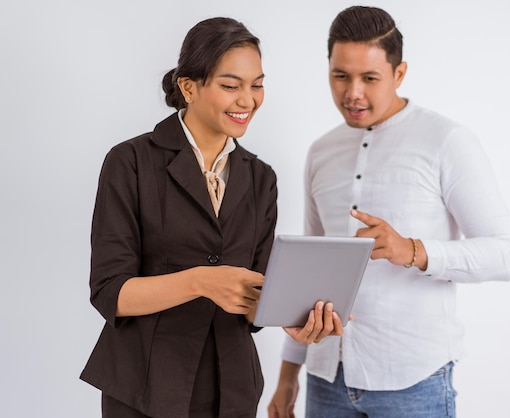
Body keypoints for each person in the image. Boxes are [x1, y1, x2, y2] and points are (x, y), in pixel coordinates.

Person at [80, 17, 344, 418]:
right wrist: (201, 281)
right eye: (230, 85)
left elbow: (253, 298)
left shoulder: (261, 178)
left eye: (257, 84)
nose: (248, 100)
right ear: (189, 87)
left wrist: (292, 316)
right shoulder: (130, 162)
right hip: (145, 387)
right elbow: (110, 293)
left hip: (231, 388)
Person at [268, 6, 510, 418]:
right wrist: (286, 377)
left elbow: (507, 254)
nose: (353, 92)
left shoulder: (447, 141)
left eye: (369, 78)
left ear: (399, 73)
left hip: (413, 382)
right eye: (340, 76)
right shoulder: (320, 152)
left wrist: (414, 250)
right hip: (324, 381)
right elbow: (306, 274)